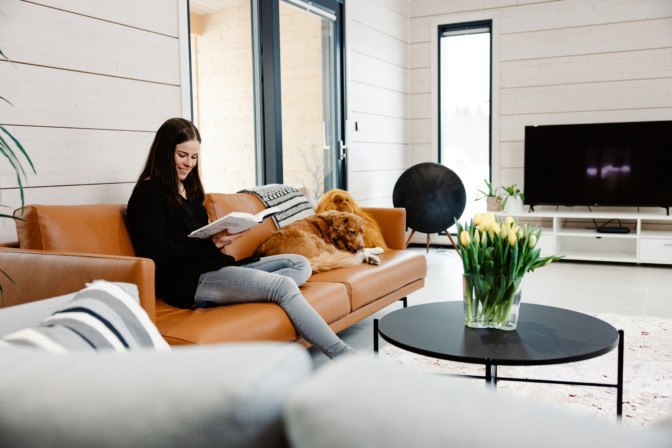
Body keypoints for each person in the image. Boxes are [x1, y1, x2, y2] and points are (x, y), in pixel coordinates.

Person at [126, 117, 356, 359]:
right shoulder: (147, 194)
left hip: (215, 267)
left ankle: (249, 290)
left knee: (300, 263)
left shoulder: (190, 191)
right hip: (188, 281)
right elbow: (157, 256)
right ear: (164, 152)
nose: (189, 164)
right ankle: (345, 356)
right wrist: (211, 243)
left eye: (194, 157)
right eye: (182, 155)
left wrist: (222, 239)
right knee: (284, 285)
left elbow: (201, 241)